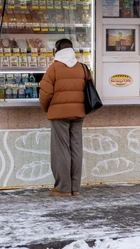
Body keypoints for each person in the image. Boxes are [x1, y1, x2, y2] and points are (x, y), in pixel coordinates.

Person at [39, 38, 87, 197]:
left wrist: (48, 109)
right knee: (76, 148)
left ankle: (62, 188)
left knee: (61, 150)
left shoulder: (53, 69)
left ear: (57, 51)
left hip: (59, 115)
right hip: (78, 114)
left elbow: (45, 94)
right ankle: (75, 188)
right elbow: (89, 89)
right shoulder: (82, 68)